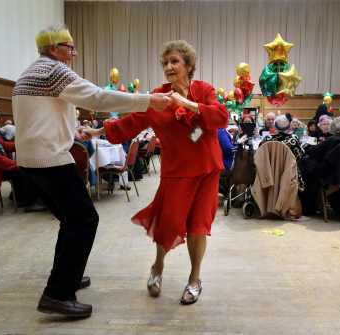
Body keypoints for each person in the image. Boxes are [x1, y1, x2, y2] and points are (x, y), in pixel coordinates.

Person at [12, 25, 171, 318]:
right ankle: (58, 294)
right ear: (52, 48)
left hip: (30, 161)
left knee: (71, 219)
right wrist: (149, 99)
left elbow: (43, 117)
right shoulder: (54, 71)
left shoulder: (29, 73)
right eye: (69, 46)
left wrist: (74, 132)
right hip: (50, 160)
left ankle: (67, 277)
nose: (74, 52)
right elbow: (98, 98)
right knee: (84, 219)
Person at [85, 40, 228, 305]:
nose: (169, 67)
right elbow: (130, 122)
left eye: (175, 61)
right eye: (165, 63)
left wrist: (187, 103)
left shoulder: (203, 90)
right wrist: (99, 130)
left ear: (188, 66)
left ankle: (195, 278)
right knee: (169, 223)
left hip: (207, 168)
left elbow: (221, 117)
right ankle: (158, 266)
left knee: (199, 225)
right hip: (176, 171)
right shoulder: (157, 97)